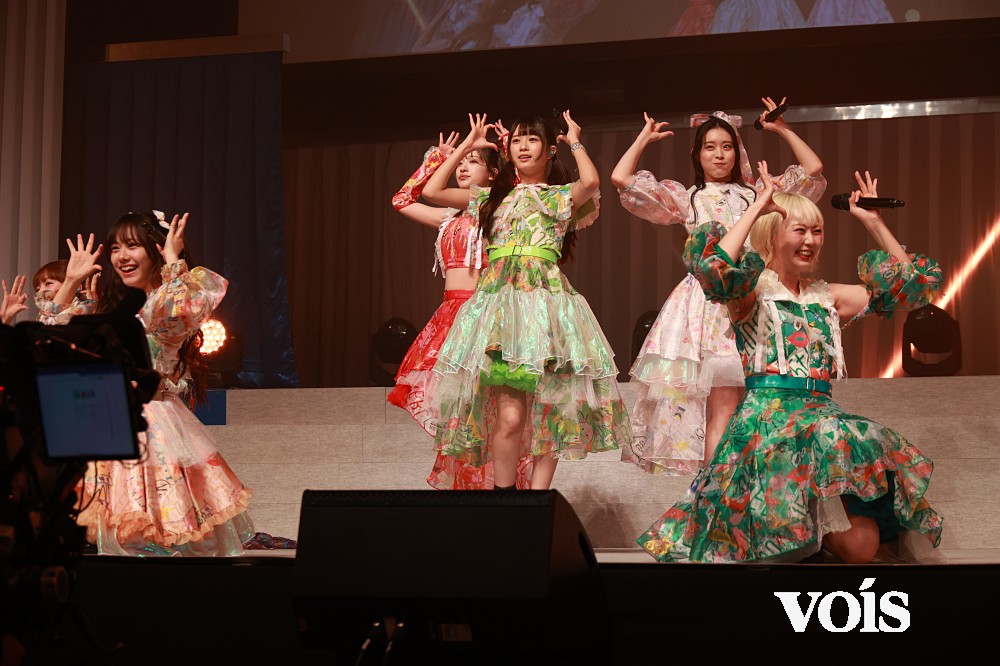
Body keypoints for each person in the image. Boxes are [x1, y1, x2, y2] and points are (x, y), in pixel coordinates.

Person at [639, 166, 943, 563]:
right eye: (800, 230)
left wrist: (874, 222)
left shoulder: (827, 296)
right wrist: (757, 208)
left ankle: (816, 536)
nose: (811, 240)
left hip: (820, 420)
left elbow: (912, 288)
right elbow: (711, 265)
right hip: (767, 427)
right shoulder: (750, 293)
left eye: (817, 231)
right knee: (763, 546)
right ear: (773, 235)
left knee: (862, 547)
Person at [611, 99, 826, 475]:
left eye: (727, 146)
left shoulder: (757, 193)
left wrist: (781, 129)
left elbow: (813, 170)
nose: (719, 154)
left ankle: (748, 488)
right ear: (697, 155)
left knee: (758, 406)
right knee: (721, 406)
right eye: (710, 147)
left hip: (756, 296)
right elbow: (621, 178)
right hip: (708, 303)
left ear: (738, 152)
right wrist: (644, 138)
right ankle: (715, 494)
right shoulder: (688, 198)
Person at [422, 112, 630, 490]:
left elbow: (590, 182)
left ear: (549, 150)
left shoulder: (559, 196)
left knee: (553, 412)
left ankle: (537, 501)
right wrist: (467, 146)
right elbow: (432, 192)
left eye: (532, 139)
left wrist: (575, 140)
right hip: (502, 310)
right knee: (510, 419)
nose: (522, 146)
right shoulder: (490, 197)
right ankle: (505, 500)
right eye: (516, 139)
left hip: (548, 308)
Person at [77, 211, 254, 556]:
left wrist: (174, 262)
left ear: (155, 249)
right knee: (117, 536)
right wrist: (71, 285)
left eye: (131, 246)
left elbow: (185, 306)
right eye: (115, 248)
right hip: (110, 423)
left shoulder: (165, 303)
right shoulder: (121, 309)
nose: (121, 257)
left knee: (158, 534)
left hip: (152, 422)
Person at [388, 129, 532, 489]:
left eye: (473, 163)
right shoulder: (448, 217)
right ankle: (470, 488)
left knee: (491, 408)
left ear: (493, 174)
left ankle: (501, 485)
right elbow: (402, 200)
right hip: (450, 314)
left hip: (483, 314)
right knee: (461, 414)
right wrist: (439, 158)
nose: (463, 168)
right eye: (460, 164)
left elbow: (520, 187)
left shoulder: (497, 210)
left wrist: (504, 147)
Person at [32, 241, 101, 325]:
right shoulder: (43, 315)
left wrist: (87, 307)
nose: (40, 291)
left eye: (48, 284)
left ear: (77, 286)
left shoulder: (86, 314)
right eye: (37, 289)